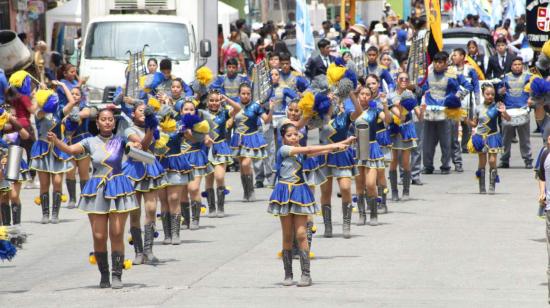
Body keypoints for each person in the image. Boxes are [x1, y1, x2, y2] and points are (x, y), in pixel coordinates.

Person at [48, 108, 140, 289]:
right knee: (99, 236)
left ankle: (116, 275)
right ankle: (104, 274)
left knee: (116, 233)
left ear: (114, 123)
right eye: (103, 119)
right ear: (97, 123)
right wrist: (56, 141)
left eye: (110, 120)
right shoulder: (89, 141)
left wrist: (146, 136)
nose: (107, 122)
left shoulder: (121, 141)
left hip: (118, 187)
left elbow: (141, 146)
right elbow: (70, 150)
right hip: (97, 189)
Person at [270, 122, 352, 287]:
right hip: (284, 193)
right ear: (283, 138)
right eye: (289, 135)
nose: (293, 137)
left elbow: (318, 151)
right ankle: (288, 274)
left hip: (300, 193)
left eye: (295, 134)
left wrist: (340, 146)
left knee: (301, 234)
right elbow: (309, 150)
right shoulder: (284, 150)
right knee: (287, 235)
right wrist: (336, 144)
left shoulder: (300, 151)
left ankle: (306, 274)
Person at [123, 102, 167, 265]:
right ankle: (138, 252)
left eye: (146, 111)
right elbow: (143, 145)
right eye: (141, 111)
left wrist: (154, 123)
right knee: (135, 212)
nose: (144, 112)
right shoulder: (128, 129)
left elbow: (157, 146)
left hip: (150, 168)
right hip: (134, 170)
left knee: (151, 208)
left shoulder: (154, 127)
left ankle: (149, 250)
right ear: (133, 114)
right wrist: (151, 126)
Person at [31, 81, 78, 224]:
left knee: (57, 182)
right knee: (44, 184)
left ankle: (55, 214)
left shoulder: (60, 111)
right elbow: (33, 103)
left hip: (58, 149)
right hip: (43, 150)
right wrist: (40, 92)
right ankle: (45, 214)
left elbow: (72, 101)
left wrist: (63, 86)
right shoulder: (39, 112)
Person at [318, 88, 362, 238]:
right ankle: (328, 226)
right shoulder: (320, 117)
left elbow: (359, 111)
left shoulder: (345, 117)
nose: (336, 101)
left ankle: (346, 223)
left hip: (342, 156)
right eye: (333, 99)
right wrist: (323, 100)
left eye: (338, 99)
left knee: (345, 187)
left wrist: (351, 93)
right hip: (324, 156)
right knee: (325, 192)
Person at [420, 51, 471, 175]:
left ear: (445, 63)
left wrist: (456, 99)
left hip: (447, 113)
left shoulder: (452, 75)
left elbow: (467, 87)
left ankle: (446, 166)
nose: (438, 65)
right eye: (436, 62)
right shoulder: (427, 75)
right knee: (428, 141)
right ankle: (428, 166)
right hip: (430, 113)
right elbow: (420, 90)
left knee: (447, 141)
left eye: (440, 62)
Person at [353, 86, 390, 226]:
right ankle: (362, 215)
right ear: (358, 95)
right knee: (359, 184)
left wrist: (385, 104)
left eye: (367, 94)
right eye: (362, 94)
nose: (364, 96)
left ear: (371, 96)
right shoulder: (353, 112)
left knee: (370, 184)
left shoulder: (375, 111)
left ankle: (373, 214)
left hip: (372, 147)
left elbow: (388, 119)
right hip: (357, 148)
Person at [231, 83, 272, 202]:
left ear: (251, 94)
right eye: (243, 93)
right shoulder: (235, 106)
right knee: (242, 167)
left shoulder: (256, 106)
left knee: (246, 164)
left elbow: (266, 120)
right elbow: (229, 120)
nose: (245, 96)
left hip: (251, 138)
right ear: (239, 94)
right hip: (238, 139)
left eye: (248, 94)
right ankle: (246, 192)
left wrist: (271, 109)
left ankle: (251, 191)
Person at [204, 90, 241, 218]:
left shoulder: (224, 113)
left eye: (216, 100)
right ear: (207, 102)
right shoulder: (202, 114)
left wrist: (226, 98)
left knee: (219, 177)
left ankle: (221, 207)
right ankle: (212, 208)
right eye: (211, 100)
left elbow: (237, 108)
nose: (214, 103)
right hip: (206, 149)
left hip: (221, 147)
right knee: (209, 179)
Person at [467, 84, 510, 194]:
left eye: (492, 94)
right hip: (480, 137)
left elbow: (508, 119)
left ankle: (492, 185)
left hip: (493, 136)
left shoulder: (497, 106)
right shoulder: (478, 108)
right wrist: (466, 120)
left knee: (492, 161)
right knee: (482, 162)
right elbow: (474, 124)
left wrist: (504, 111)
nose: (490, 96)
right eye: (487, 94)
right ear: (483, 94)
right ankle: (482, 186)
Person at [388, 72, 423, 201]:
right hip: (394, 129)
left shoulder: (411, 95)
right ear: (396, 80)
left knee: (405, 161)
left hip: (407, 129)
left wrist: (420, 106)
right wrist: (400, 106)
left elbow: (419, 116)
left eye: (406, 79)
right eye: (401, 78)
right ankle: (394, 192)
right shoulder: (391, 95)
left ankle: (406, 191)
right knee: (393, 161)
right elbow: (398, 115)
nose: (403, 80)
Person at [498, 57, 533, 169]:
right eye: (515, 64)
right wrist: (500, 92)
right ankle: (504, 160)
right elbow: (497, 94)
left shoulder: (529, 77)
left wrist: (531, 100)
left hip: (523, 111)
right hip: (508, 112)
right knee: (505, 138)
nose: (517, 66)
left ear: (522, 65)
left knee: (524, 138)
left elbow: (534, 93)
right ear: (511, 66)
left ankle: (528, 160)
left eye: (519, 64)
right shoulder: (505, 78)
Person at [64, 86, 94, 209]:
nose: (74, 95)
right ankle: (72, 199)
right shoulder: (65, 107)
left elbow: (85, 114)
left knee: (83, 173)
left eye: (77, 94)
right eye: (72, 93)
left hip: (82, 142)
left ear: (81, 97)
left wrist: (72, 115)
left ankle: (84, 198)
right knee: (70, 172)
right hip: (69, 142)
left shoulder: (84, 107)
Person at [450, 48, 480, 172]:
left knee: (466, 123)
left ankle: (465, 145)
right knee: (454, 125)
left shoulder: (470, 69)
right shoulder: (450, 70)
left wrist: (478, 101)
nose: (453, 57)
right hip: (454, 101)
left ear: (462, 56)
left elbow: (476, 84)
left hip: (467, 99)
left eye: (455, 55)